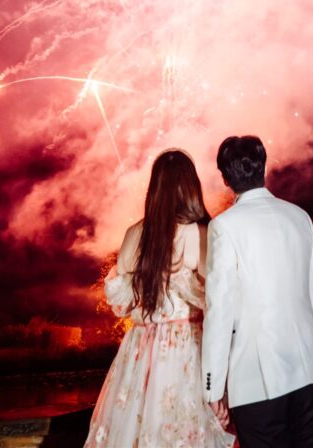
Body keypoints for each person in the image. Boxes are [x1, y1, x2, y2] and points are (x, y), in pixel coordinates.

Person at [84, 149, 234, 448]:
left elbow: (119, 302)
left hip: (139, 353)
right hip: (185, 350)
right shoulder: (201, 235)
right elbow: (221, 305)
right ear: (190, 187)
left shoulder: (135, 234)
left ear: (154, 189)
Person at [202, 135, 313, 448]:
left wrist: (213, 388)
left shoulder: (225, 227)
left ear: (225, 178)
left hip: (257, 380)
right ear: (263, 167)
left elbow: (219, 311)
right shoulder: (299, 216)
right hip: (311, 368)